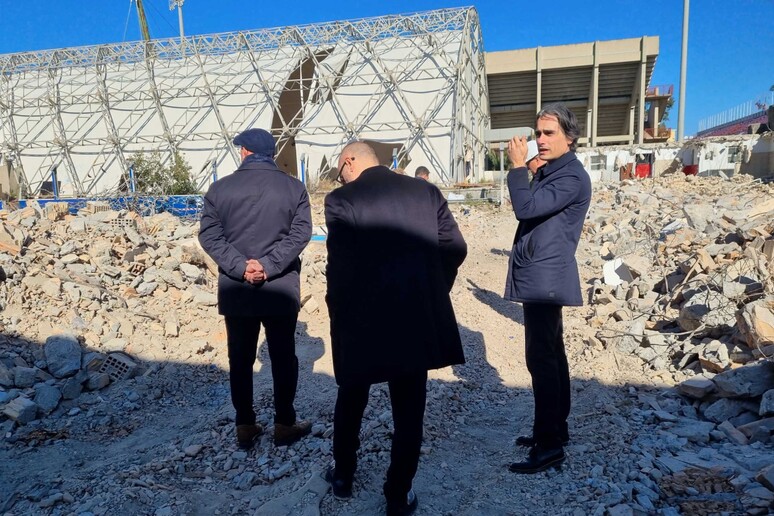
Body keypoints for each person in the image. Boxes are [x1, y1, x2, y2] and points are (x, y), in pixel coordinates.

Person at [324, 141, 467, 515]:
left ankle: (343, 476)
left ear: (350, 161)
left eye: (340, 170)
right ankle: (397, 496)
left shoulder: (341, 200)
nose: (341, 177)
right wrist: (434, 286)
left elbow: (340, 268)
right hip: (413, 317)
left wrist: (338, 313)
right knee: (409, 412)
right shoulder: (426, 191)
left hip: (363, 320)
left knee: (352, 396)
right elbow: (455, 247)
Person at [199, 128, 313, 450]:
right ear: (271, 154)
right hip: (280, 288)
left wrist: (240, 266)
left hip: (238, 291)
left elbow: (210, 236)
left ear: (245, 152)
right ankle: (284, 424)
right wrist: (269, 265)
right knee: (283, 357)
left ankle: (245, 426)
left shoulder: (219, 190)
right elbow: (300, 234)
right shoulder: (295, 188)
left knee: (240, 358)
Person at [504, 104, 592, 474]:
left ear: (569, 137)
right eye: (537, 133)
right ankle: (555, 429)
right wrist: (534, 171)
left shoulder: (571, 177)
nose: (540, 140)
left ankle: (549, 445)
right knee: (552, 356)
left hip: (546, 277)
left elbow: (525, 208)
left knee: (541, 361)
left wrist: (515, 167)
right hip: (542, 273)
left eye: (549, 133)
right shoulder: (557, 171)